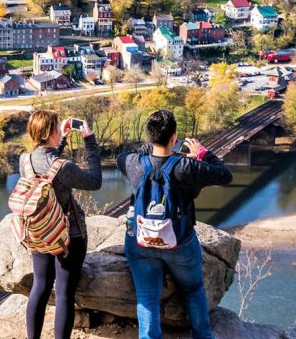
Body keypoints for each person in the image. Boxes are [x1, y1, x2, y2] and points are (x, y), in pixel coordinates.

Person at [116, 109, 233, 339]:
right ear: (174, 138)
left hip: (141, 243)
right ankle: (202, 336)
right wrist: (203, 154)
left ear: (150, 136)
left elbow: (123, 155)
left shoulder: (133, 163)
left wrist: (148, 147)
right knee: (193, 289)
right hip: (179, 243)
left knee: (147, 298)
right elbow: (225, 175)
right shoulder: (187, 166)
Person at [20, 109, 102, 339]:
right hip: (67, 236)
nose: (60, 129)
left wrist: (62, 139)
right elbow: (95, 181)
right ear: (49, 133)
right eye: (57, 127)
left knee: (40, 286)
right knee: (64, 293)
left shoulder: (25, 160)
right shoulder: (64, 167)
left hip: (38, 231)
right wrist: (90, 142)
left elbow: (48, 167)